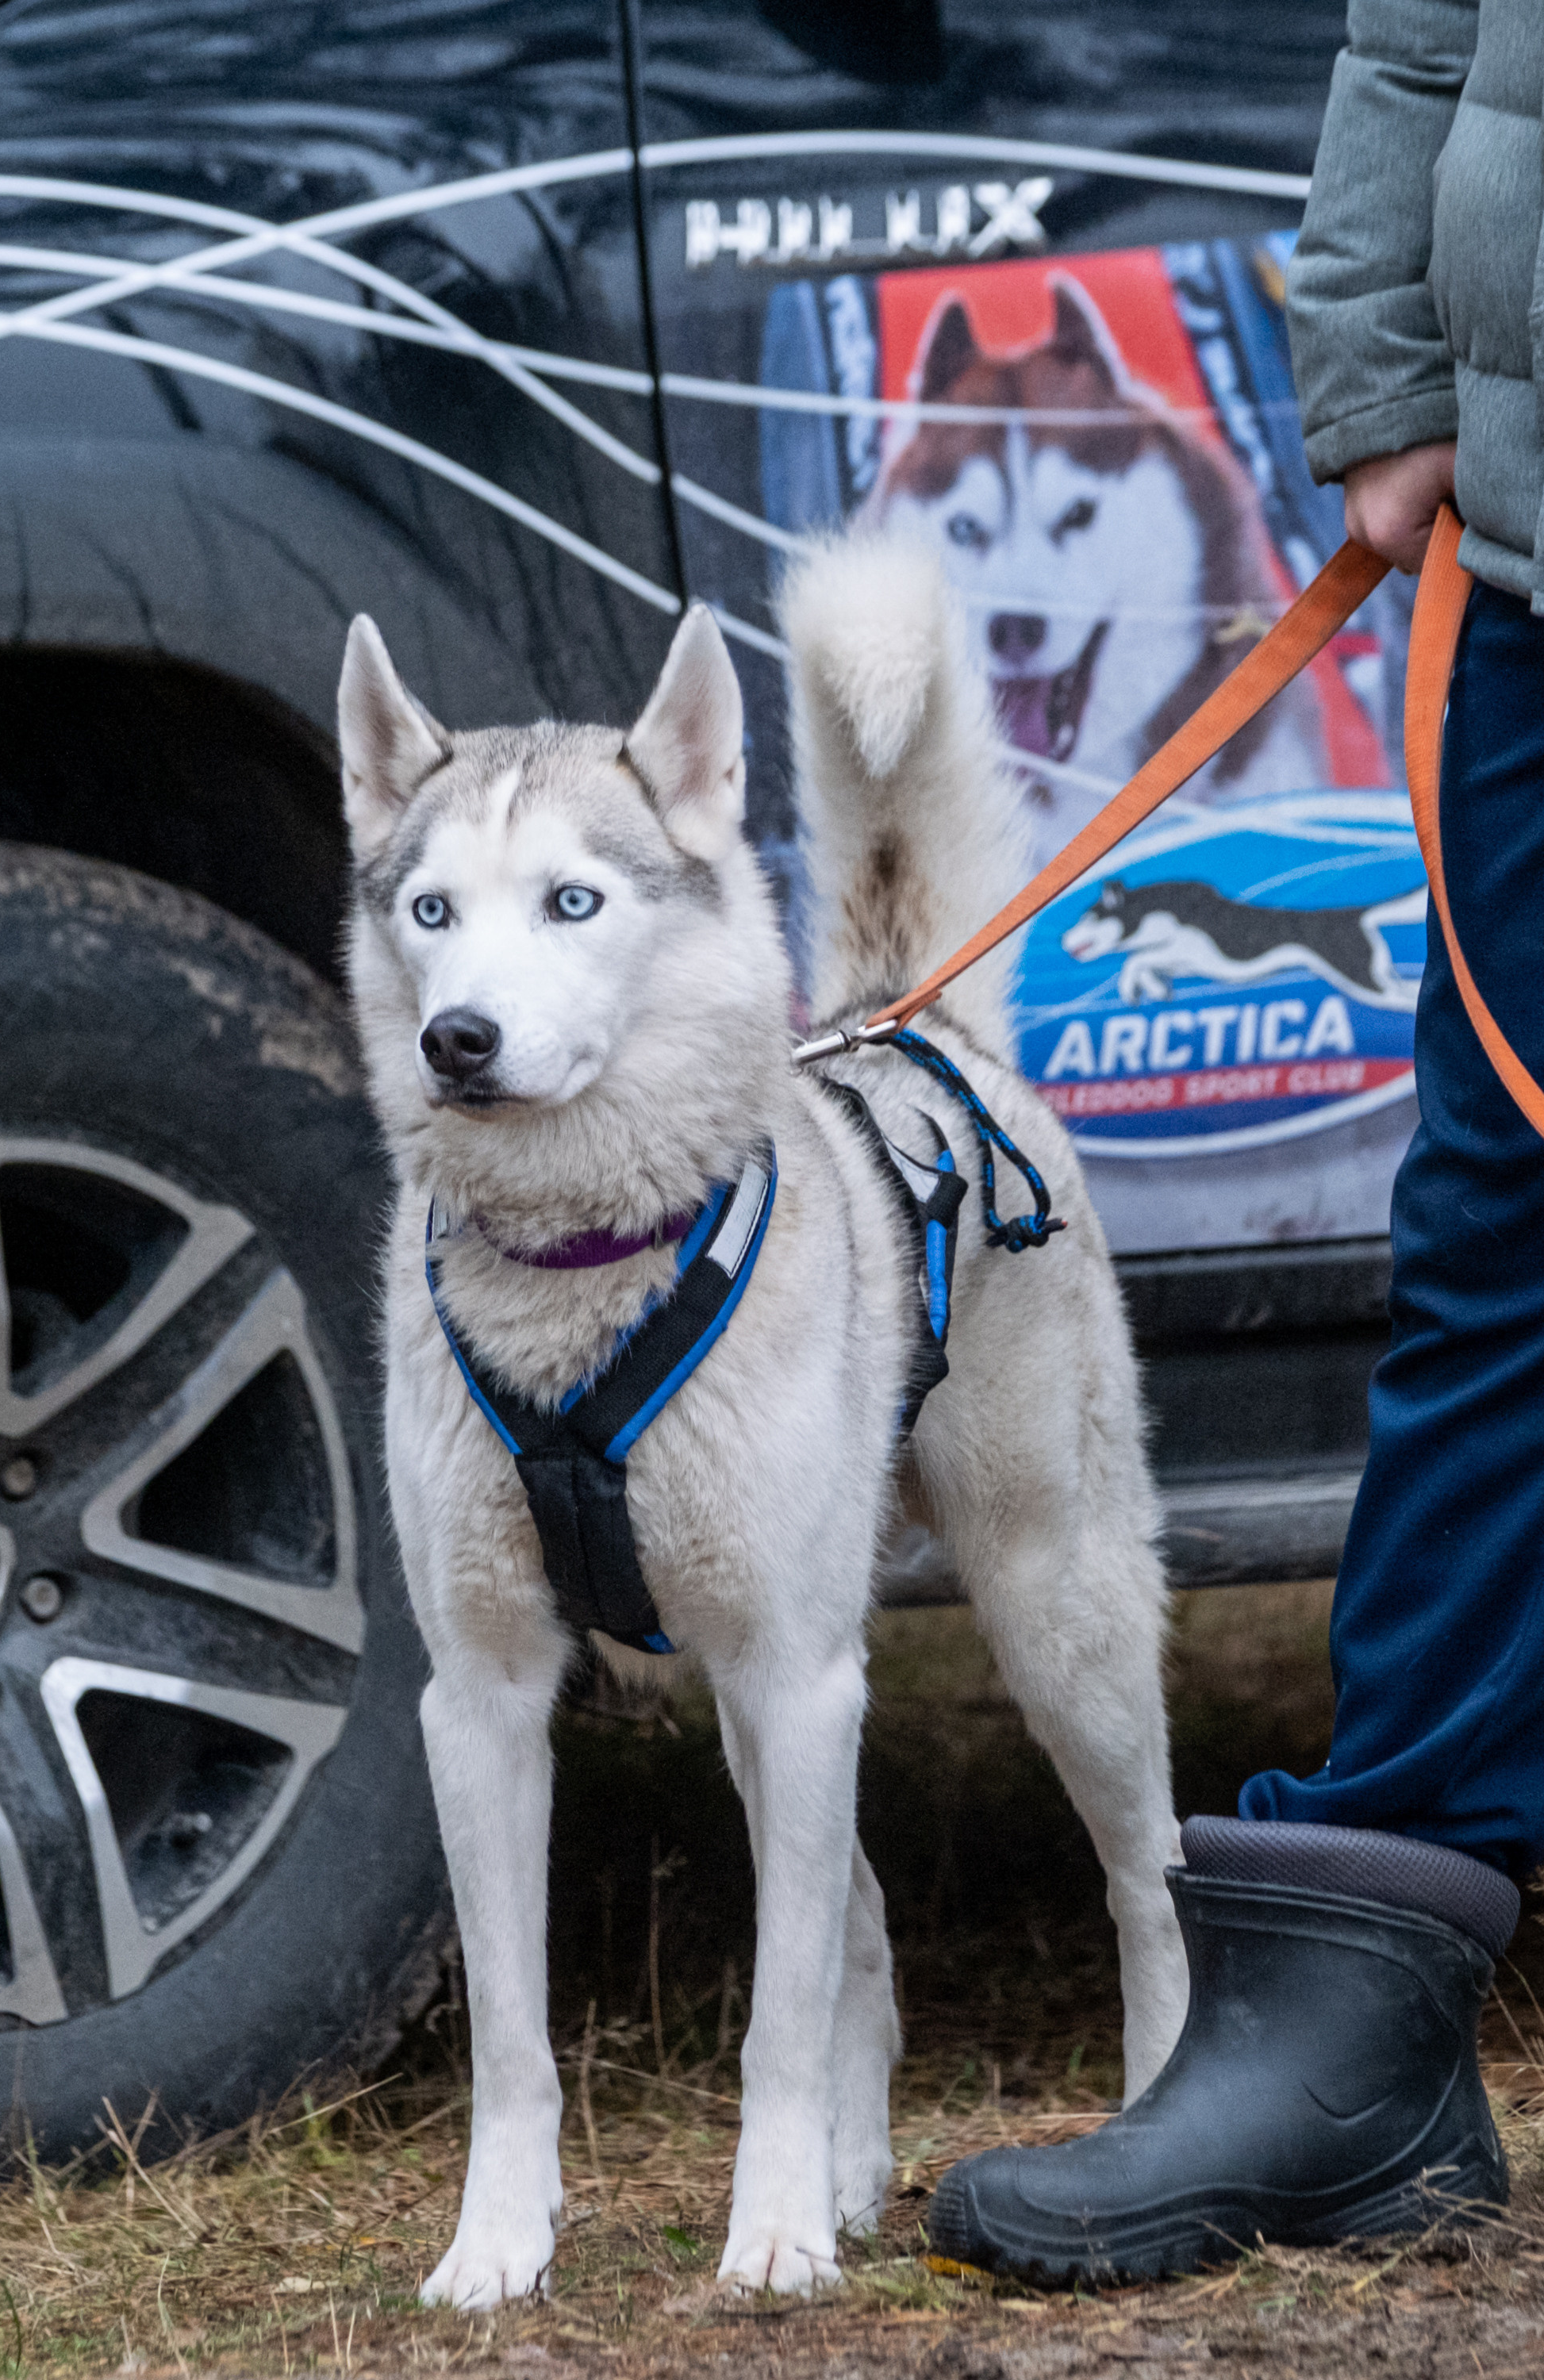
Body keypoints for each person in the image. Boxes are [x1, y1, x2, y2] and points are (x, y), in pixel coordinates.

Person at [932, 0, 1543, 2282]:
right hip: (1529, 559)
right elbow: (1425, 25)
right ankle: (1358, 2040)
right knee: (1493, 1254)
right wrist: (1389, 377)